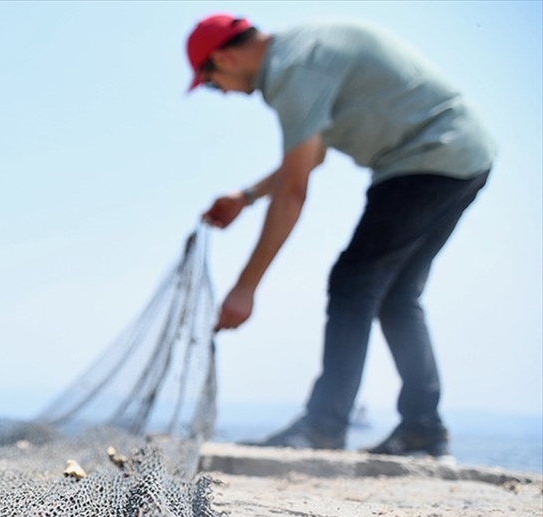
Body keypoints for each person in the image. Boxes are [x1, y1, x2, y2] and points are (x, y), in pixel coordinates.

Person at [187, 14, 496, 461]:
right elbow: (311, 155)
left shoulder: (293, 71)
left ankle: (324, 426)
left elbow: (293, 193)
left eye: (212, 84)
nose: (223, 93)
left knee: (353, 282)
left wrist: (245, 287)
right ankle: (422, 430)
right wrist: (247, 197)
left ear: (225, 58)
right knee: (397, 295)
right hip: (466, 153)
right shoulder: (303, 51)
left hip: (426, 157)